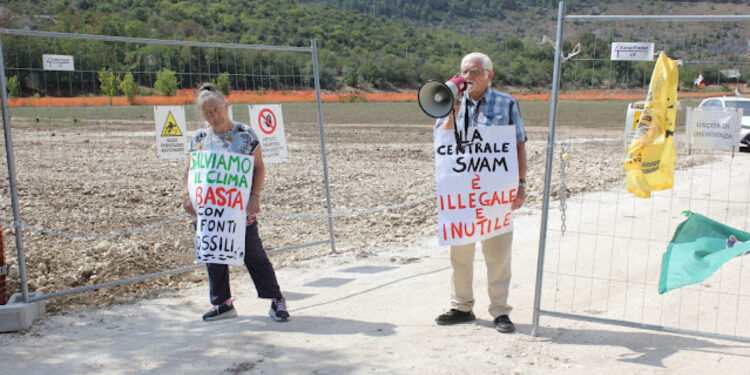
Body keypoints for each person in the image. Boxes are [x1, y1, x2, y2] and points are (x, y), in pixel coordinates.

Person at [434, 52, 527, 333]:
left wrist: (520, 184)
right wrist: (453, 110)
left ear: (489, 74)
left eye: (474, 71)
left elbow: (519, 144)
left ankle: (500, 311)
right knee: (460, 254)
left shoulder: (507, 103)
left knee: (497, 255)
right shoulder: (449, 102)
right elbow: (443, 139)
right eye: (464, 71)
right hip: (462, 195)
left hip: (495, 193)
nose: (468, 76)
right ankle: (462, 307)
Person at [182, 83, 289, 322]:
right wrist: (186, 195)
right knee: (214, 254)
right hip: (210, 212)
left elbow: (259, 168)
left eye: (216, 109)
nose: (213, 115)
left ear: (226, 106)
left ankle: (276, 300)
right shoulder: (199, 137)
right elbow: (191, 169)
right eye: (207, 112)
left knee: (254, 254)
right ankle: (223, 303)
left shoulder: (245, 134)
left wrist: (255, 196)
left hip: (239, 209)